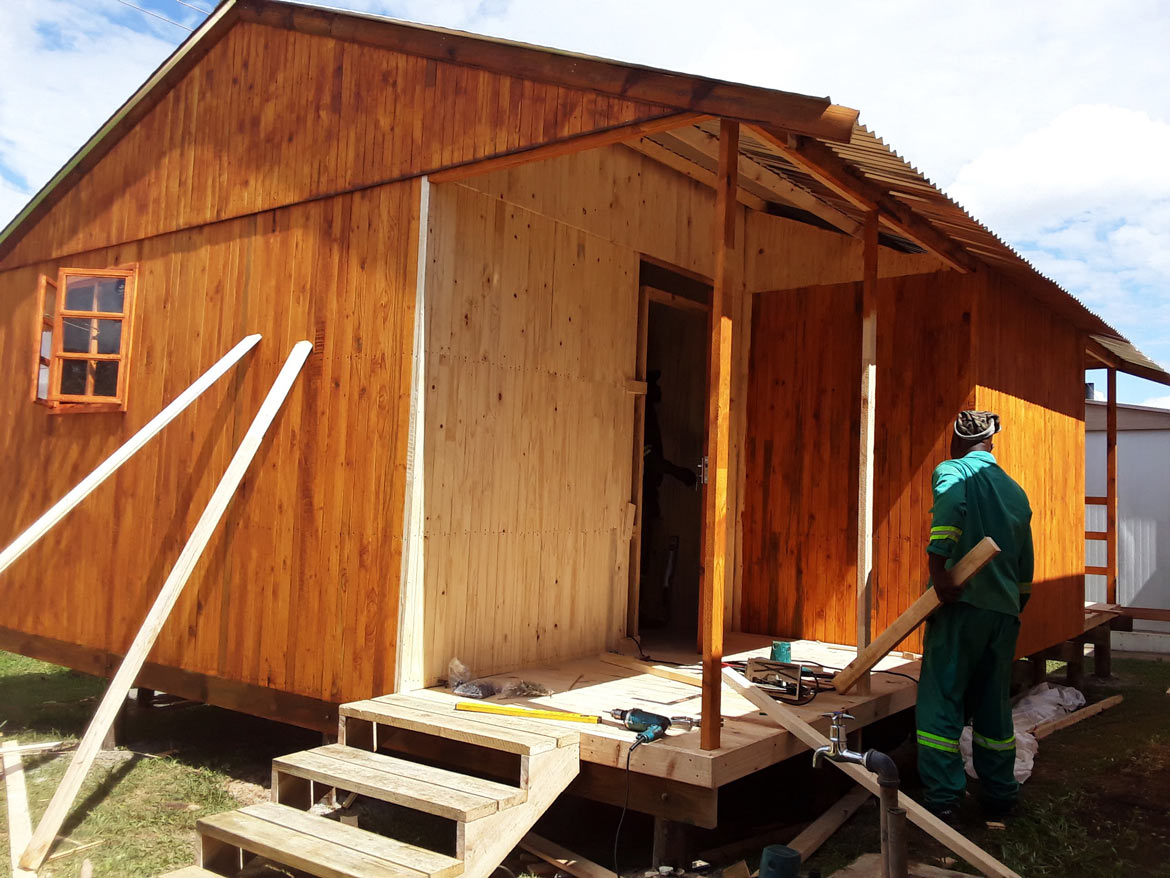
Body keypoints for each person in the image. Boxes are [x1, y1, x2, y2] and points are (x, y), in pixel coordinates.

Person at [916, 410, 1034, 823]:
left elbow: (950, 508)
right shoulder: (1015, 492)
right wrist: (1012, 605)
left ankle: (945, 797)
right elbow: (1025, 564)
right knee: (992, 705)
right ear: (991, 443)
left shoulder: (953, 471)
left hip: (960, 607)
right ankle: (1000, 793)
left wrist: (938, 569)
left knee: (941, 698)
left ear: (956, 441)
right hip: (1003, 614)